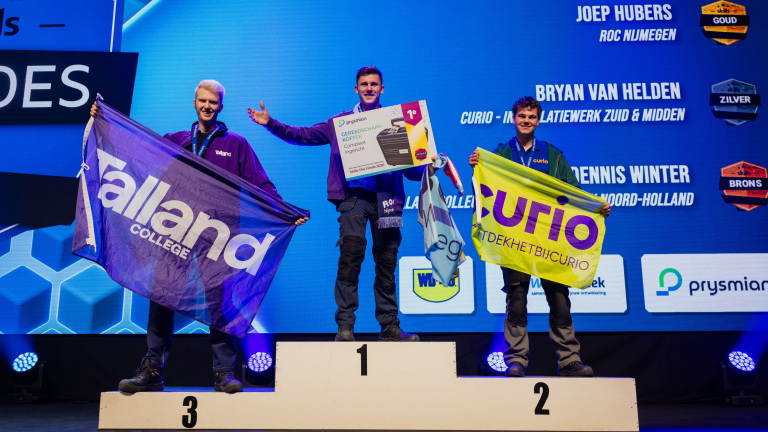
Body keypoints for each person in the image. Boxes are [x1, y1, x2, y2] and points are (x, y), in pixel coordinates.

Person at [91, 79, 308, 394]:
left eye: (213, 102)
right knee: (161, 298)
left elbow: (261, 184)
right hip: (174, 231)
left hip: (216, 238)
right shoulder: (175, 141)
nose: (207, 106)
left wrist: (284, 210)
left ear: (221, 106)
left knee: (219, 303)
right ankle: (152, 370)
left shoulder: (236, 144)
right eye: (202, 101)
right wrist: (104, 122)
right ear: (194, 103)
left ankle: (223, 373)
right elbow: (137, 155)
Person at [248, 66, 423, 342]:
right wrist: (271, 123)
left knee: (387, 263)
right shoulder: (342, 123)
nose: (368, 88)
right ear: (356, 89)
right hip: (353, 199)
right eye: (364, 84)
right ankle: (345, 327)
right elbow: (303, 135)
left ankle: (389, 327)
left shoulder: (397, 123)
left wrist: (429, 163)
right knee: (350, 259)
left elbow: (413, 173)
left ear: (382, 89)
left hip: (387, 202)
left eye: (374, 84)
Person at [469, 96, 611, 377]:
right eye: (522, 116)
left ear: (538, 121)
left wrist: (595, 208)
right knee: (517, 299)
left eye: (532, 117)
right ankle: (516, 360)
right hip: (515, 241)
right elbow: (486, 186)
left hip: (550, 241)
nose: (526, 121)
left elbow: (574, 193)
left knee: (559, 298)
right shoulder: (499, 155)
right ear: (514, 119)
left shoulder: (553, 154)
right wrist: (476, 164)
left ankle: (569, 360)